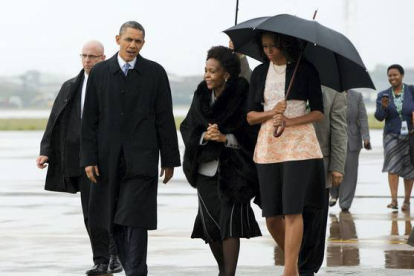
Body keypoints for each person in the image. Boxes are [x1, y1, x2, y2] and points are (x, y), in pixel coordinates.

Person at [80, 21, 181, 276]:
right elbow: (90, 120)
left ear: (143, 44)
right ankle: (131, 269)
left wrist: (169, 159)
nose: (133, 45)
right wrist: (88, 158)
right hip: (107, 159)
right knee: (113, 219)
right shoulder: (100, 73)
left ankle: (137, 271)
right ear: (118, 39)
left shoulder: (155, 73)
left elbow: (164, 118)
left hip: (143, 159)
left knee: (135, 219)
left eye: (138, 41)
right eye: (129, 40)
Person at [36, 41, 122, 275]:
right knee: (90, 212)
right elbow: (55, 118)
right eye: (84, 56)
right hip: (80, 158)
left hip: (108, 157)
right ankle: (101, 259)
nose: (87, 60)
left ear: (103, 58)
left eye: (92, 56)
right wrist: (46, 150)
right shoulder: (70, 86)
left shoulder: (114, 84)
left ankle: (115, 254)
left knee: (110, 209)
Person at [247, 31, 325, 276]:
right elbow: (250, 117)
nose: (269, 51)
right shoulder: (259, 72)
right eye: (265, 46)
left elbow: (318, 112)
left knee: (293, 210)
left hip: (300, 146)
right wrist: (271, 113)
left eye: (273, 46)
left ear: (285, 45)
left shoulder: (306, 69)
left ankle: (290, 269)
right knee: (271, 216)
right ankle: (297, 259)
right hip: (268, 146)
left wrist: (291, 121)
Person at [180, 46, 261, 276]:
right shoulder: (201, 94)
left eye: (212, 71)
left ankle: (229, 274)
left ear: (226, 73)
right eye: (205, 70)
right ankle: (222, 270)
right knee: (212, 228)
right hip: (205, 170)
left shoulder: (242, 93)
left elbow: (251, 132)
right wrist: (206, 136)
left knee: (230, 226)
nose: (207, 75)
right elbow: (187, 127)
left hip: (236, 171)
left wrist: (226, 138)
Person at [298, 86, 348, 276]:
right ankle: (293, 261)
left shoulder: (334, 91)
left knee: (315, 219)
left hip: (320, 161)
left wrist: (337, 166)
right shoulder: (289, 81)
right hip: (289, 158)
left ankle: (308, 268)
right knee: (288, 216)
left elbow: (339, 128)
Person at [375, 64, 414, 211]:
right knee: (392, 167)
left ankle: (407, 201)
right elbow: (379, 117)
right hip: (391, 135)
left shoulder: (411, 90)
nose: (392, 78)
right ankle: (393, 200)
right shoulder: (383, 95)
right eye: (390, 75)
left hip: (410, 135)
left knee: (410, 168)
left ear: (402, 76)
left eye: (395, 75)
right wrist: (383, 107)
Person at [330, 89, 371, 212]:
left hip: (352, 138)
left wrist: (366, 137)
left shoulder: (357, 96)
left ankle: (345, 203)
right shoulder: (331, 93)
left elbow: (363, 117)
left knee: (350, 172)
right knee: (332, 168)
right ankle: (333, 193)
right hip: (333, 136)